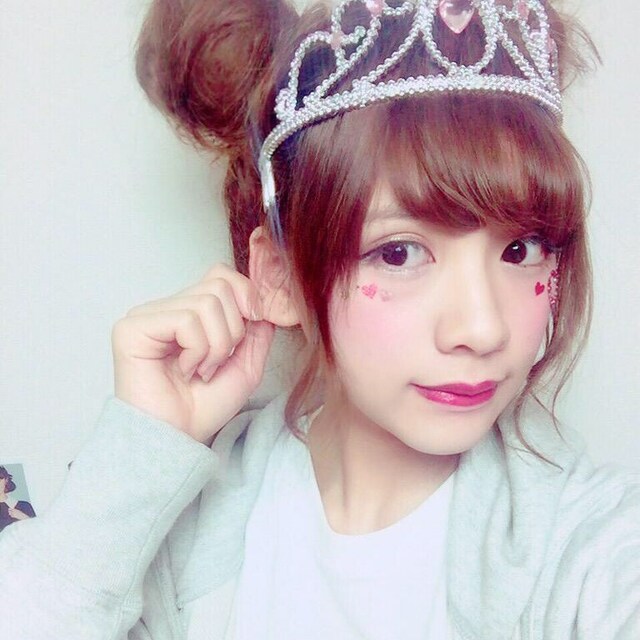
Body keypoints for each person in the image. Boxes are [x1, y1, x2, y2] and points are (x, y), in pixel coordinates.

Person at [0, 0, 638, 638]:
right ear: (279, 277)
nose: (483, 329)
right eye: (399, 253)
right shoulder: (195, 525)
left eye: (521, 250)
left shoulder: (590, 547)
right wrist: (139, 456)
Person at [0, 467, 35, 533]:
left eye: (0, 479)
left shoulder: (24, 506)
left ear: (6, 480)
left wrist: (24, 517)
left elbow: (38, 531)